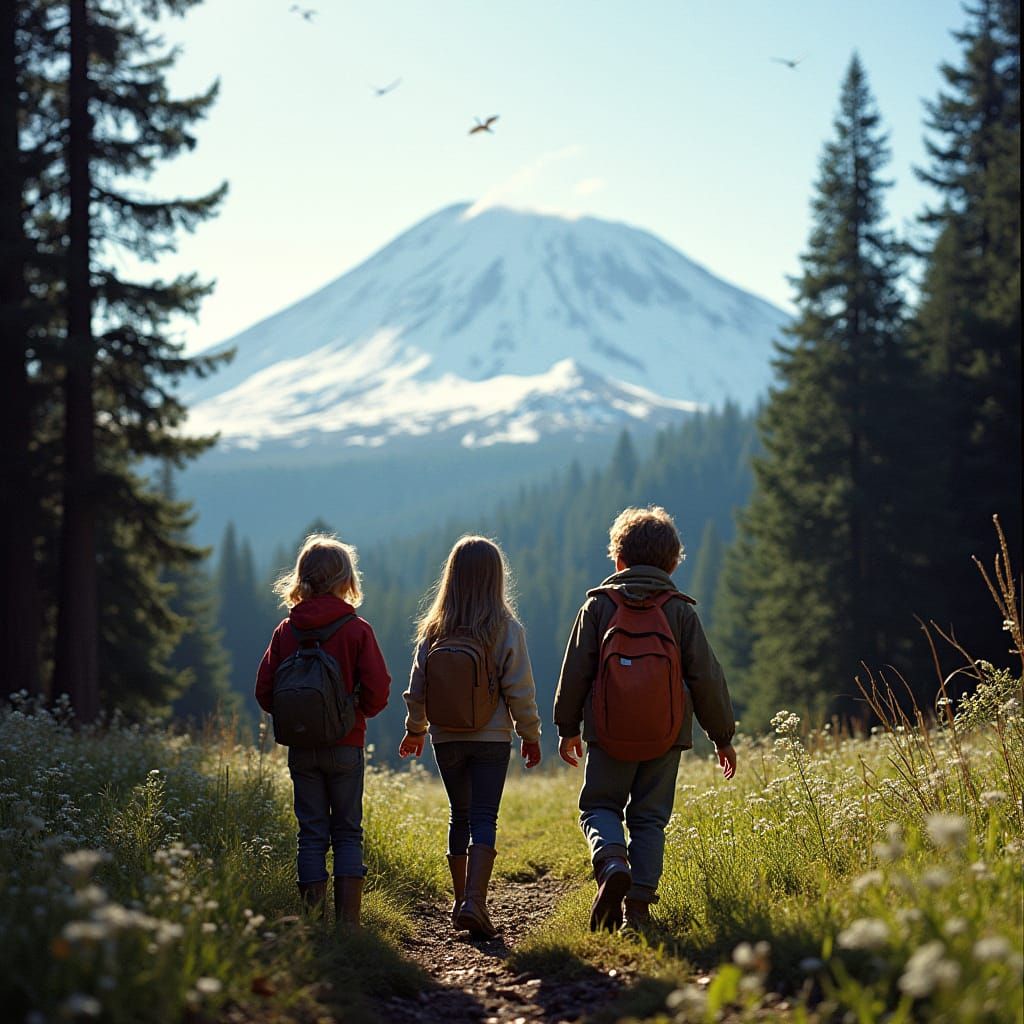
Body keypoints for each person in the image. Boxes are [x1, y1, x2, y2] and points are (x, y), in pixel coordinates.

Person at [553, 505, 736, 933]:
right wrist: (722, 737)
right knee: (650, 818)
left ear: (618, 560)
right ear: (672, 563)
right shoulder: (680, 611)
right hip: (665, 735)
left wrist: (567, 728)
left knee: (599, 806)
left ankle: (612, 862)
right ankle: (638, 909)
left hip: (608, 732)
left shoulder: (598, 606)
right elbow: (706, 677)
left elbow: (575, 671)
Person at [399, 535, 542, 938]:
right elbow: (520, 689)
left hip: (446, 738)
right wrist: (529, 734)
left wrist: (415, 730)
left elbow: (417, 688)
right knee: (483, 816)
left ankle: (460, 901)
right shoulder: (505, 628)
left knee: (458, 815)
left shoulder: (433, 629)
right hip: (491, 738)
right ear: (496, 578)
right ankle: (475, 904)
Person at [255, 533, 391, 926]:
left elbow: (265, 691)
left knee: (311, 834)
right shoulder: (356, 629)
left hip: (302, 748)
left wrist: (298, 720)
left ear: (302, 578)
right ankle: (348, 927)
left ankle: (314, 924)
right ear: (345, 579)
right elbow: (378, 690)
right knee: (347, 832)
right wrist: (356, 714)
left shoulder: (287, 631)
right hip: (347, 744)